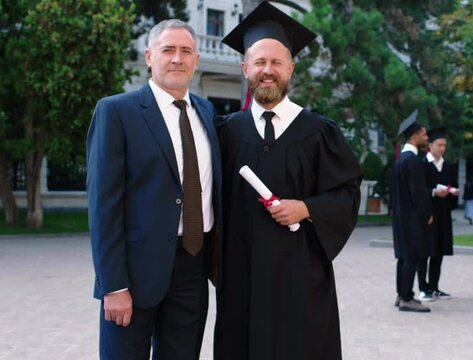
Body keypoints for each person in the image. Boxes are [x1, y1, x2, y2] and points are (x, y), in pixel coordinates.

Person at [215, 3, 362, 359]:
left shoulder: (320, 132)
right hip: (241, 279)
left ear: (291, 69)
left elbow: (347, 194)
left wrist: (307, 208)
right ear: (244, 68)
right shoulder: (225, 133)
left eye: (277, 62)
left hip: (302, 278)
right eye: (259, 62)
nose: (268, 71)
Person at [86, 19, 222, 359]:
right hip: (133, 273)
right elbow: (104, 207)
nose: (177, 59)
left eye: (186, 51)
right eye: (168, 50)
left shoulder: (206, 112)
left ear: (196, 60)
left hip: (194, 266)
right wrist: (113, 286)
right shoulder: (116, 111)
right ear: (149, 56)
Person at [391, 110, 433, 313]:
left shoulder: (401, 159)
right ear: (415, 135)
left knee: (403, 256)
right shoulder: (413, 161)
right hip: (412, 217)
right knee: (412, 256)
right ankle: (407, 297)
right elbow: (418, 194)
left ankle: (401, 294)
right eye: (424, 134)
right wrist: (427, 215)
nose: (427, 138)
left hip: (400, 215)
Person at [417, 127, 459, 301]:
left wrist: (453, 192)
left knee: (439, 250)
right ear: (430, 145)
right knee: (424, 251)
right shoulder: (422, 165)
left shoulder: (447, 166)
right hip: (428, 213)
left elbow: (453, 185)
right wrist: (434, 192)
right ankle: (422, 288)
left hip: (443, 213)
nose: (442, 148)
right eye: (439, 144)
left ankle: (434, 286)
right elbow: (418, 190)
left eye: (445, 145)